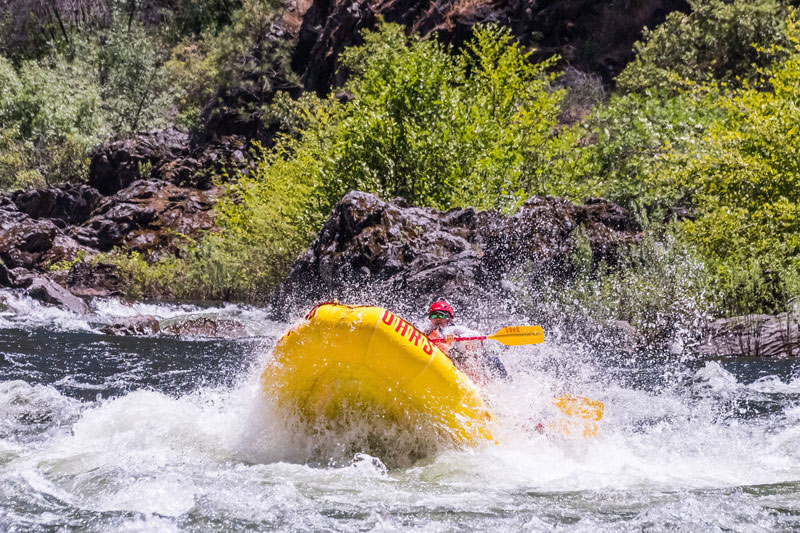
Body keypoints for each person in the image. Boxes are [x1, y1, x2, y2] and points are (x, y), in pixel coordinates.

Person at [422, 300, 507, 383]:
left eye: (441, 315)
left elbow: (476, 335)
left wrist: (457, 337)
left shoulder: (454, 329)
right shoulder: (428, 331)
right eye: (433, 316)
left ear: (448, 318)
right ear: (430, 318)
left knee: (489, 358)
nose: (437, 319)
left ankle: (503, 379)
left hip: (463, 359)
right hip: (444, 360)